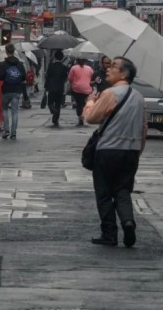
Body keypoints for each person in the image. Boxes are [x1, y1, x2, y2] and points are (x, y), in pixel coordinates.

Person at [83, 56, 147, 248]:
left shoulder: (110, 93)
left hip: (108, 151)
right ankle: (128, 221)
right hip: (131, 152)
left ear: (124, 73)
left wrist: (90, 103)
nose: (108, 69)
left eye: (114, 67)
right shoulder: (139, 97)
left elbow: (91, 118)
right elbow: (144, 128)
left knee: (103, 193)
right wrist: (138, 150)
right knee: (123, 191)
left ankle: (109, 234)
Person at [0, 44, 26, 140]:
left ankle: (6, 130)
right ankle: (14, 132)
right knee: (15, 111)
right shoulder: (19, 64)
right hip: (17, 90)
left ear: (6, 51)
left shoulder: (3, 64)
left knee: (4, 109)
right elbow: (24, 77)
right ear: (14, 51)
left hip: (6, 90)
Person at [44, 49, 69, 126]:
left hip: (51, 87)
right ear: (62, 58)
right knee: (58, 104)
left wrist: (46, 87)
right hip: (60, 87)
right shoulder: (64, 67)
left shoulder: (51, 66)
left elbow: (47, 77)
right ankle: (55, 119)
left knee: (50, 103)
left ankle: (53, 110)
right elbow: (65, 78)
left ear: (55, 57)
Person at [68, 56, 94, 125]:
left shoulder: (73, 68)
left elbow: (70, 78)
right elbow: (92, 77)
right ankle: (83, 114)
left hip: (77, 88)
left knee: (79, 103)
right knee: (83, 103)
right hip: (87, 88)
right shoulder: (89, 68)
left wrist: (72, 83)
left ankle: (80, 116)